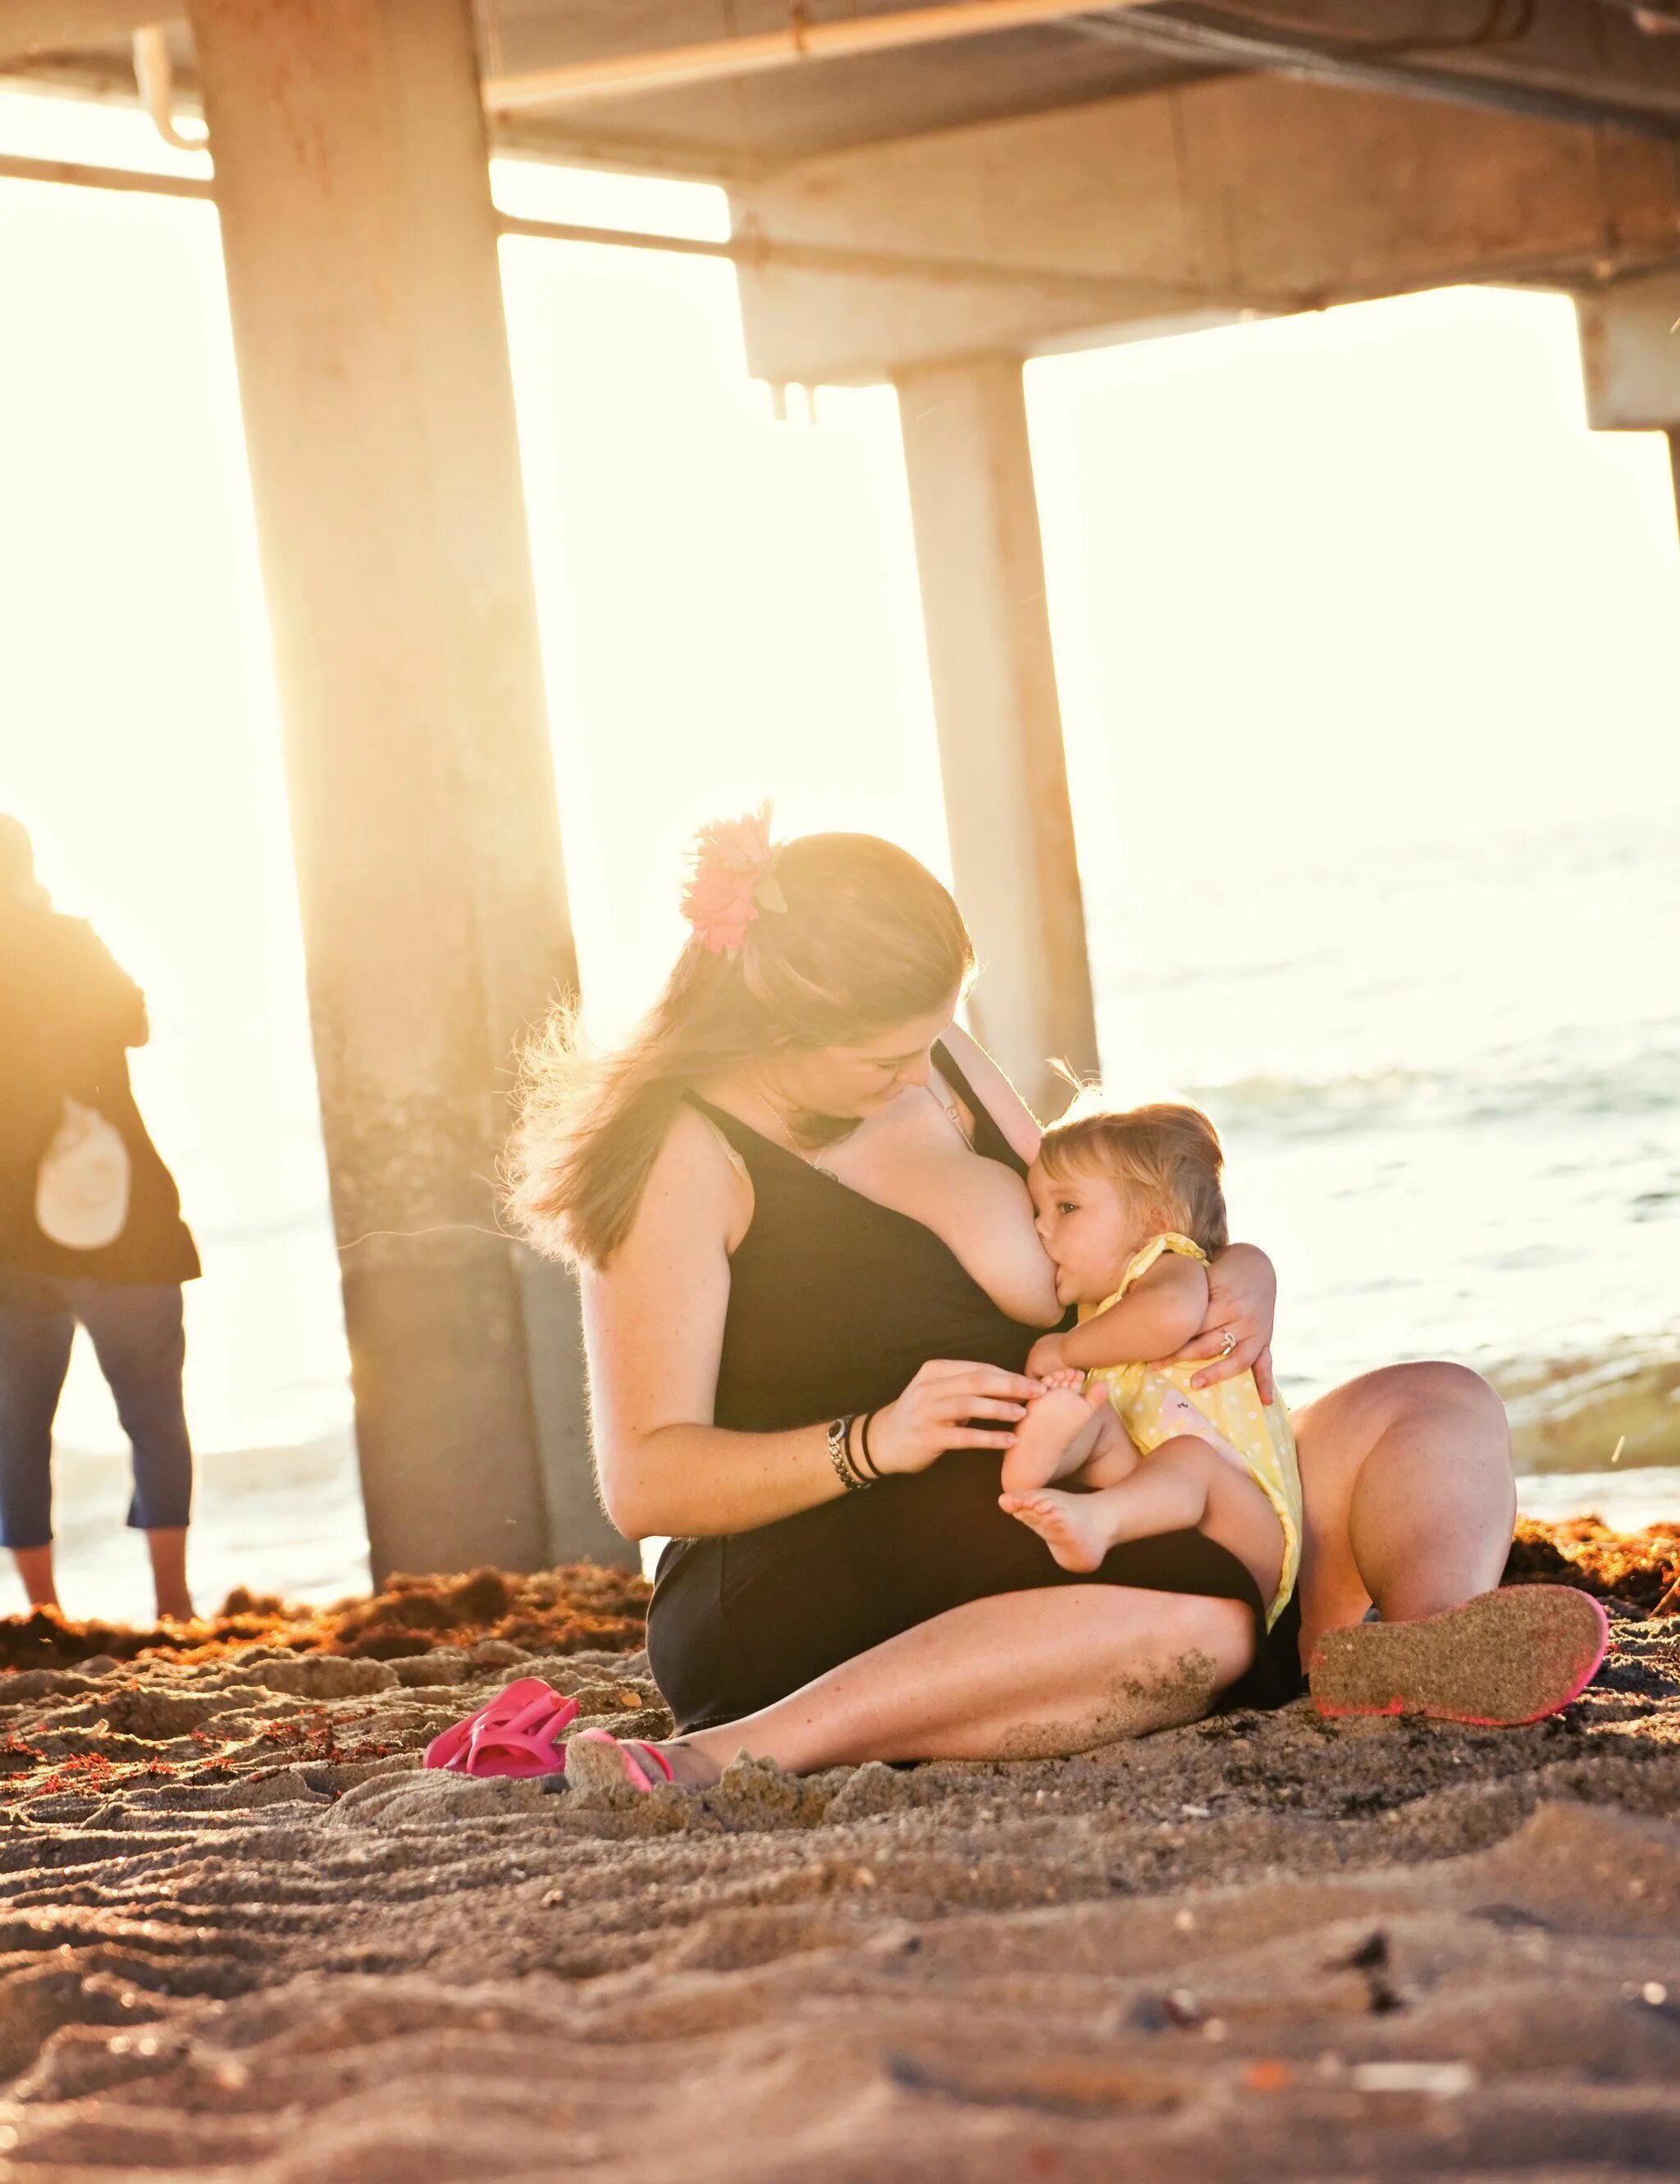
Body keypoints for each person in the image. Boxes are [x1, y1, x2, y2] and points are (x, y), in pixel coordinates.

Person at [491, 811, 1600, 1794]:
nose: (918, 1069)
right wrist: (873, 1440)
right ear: (780, 1028)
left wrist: (1234, 1267)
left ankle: (1409, 1650)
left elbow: (1116, 1229)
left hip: (1102, 1477)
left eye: (936, 1033)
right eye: (888, 1055)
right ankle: (728, 1753)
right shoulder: (681, 1155)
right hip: (821, 1569)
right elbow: (645, 1481)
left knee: (1432, 1403)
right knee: (1193, 1630)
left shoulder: (933, 1055)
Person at [995, 1100, 1300, 1624]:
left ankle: (1099, 1519)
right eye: (1037, 1212)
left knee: (1189, 1459)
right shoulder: (1102, 1313)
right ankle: (1030, 1476)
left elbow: (1169, 1317)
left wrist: (1063, 1350)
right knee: (1093, 1416)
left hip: (1244, 1524)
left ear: (1153, 1219)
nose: (1042, 1230)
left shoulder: (1165, 1262)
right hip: (1161, 1506)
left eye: (1066, 1208)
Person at [0, 816, 199, 1620]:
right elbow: (136, 1023)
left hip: (13, 1239)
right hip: (126, 1225)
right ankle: (174, 1602)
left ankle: (44, 1611)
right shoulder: (69, 940)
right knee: (154, 1415)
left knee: (16, 1428)